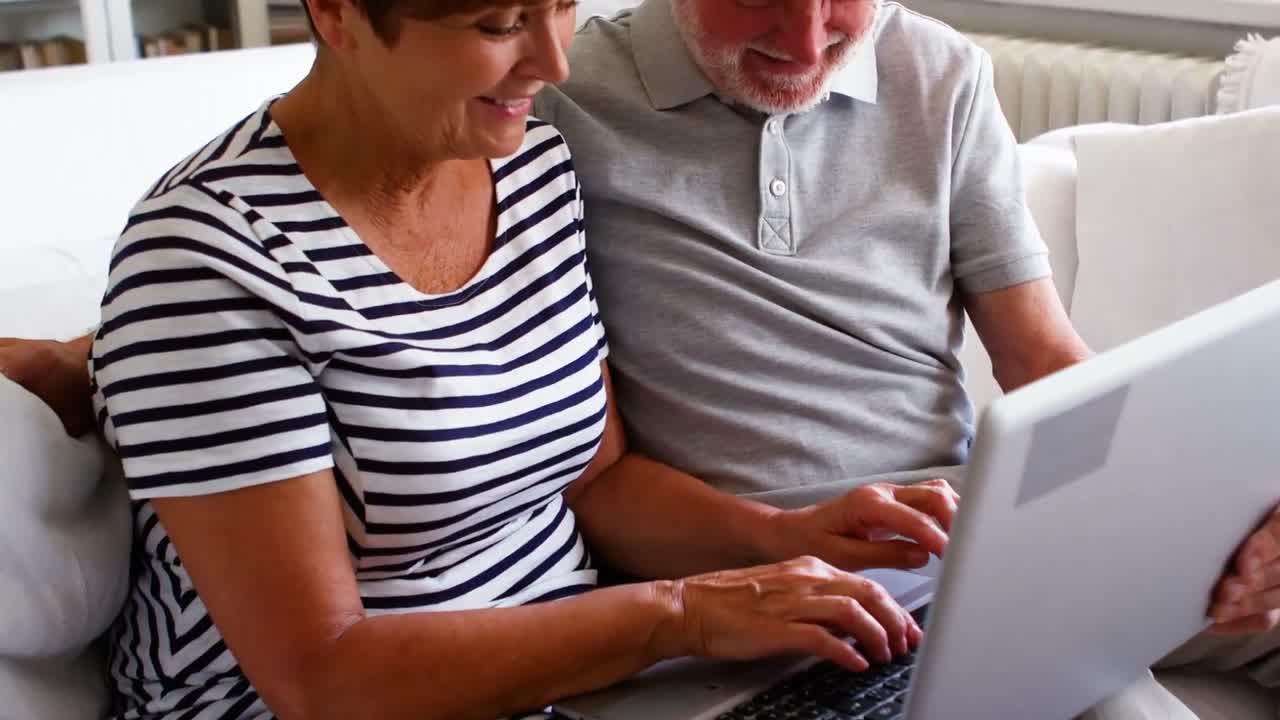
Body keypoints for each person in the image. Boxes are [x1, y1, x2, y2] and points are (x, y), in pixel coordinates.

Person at [5, 0, 1277, 717]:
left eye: (557, 6)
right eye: (501, 20)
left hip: (590, 662)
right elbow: (319, 678)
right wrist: (686, 611)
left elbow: (595, 478)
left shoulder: (522, 160)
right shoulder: (207, 257)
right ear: (334, 13)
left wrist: (785, 534)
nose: (553, 66)